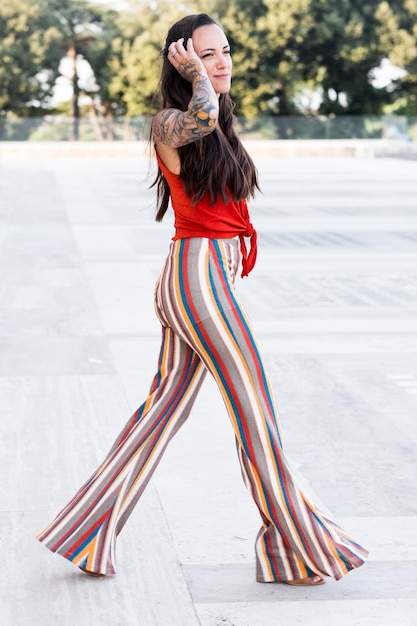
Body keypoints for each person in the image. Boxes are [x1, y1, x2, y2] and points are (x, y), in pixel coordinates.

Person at [37, 13, 368, 586]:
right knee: (255, 415)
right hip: (198, 282)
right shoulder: (170, 123)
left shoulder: (220, 120)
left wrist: (200, 78)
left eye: (224, 52)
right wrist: (197, 79)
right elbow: (203, 113)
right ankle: (296, 548)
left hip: (201, 279)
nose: (221, 63)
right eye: (205, 55)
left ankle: (85, 531)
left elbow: (221, 155)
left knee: (162, 411)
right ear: (180, 62)